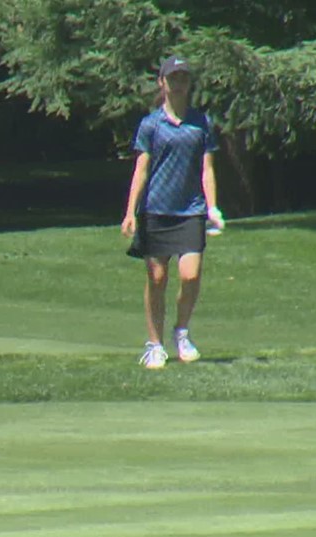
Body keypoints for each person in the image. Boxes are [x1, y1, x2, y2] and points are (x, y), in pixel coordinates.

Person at [121, 55, 225, 370]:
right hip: (156, 211)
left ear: (189, 84)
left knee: (190, 275)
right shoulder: (151, 124)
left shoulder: (201, 123)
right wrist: (130, 211)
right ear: (162, 83)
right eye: (173, 78)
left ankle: (181, 332)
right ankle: (154, 345)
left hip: (191, 211)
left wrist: (212, 206)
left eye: (183, 78)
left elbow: (207, 169)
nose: (178, 84)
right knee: (157, 278)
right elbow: (141, 169)